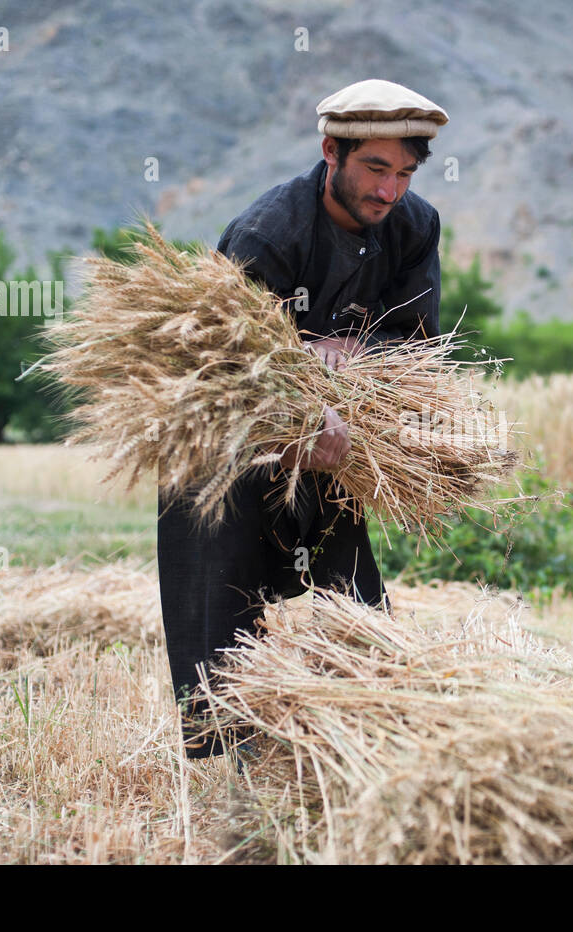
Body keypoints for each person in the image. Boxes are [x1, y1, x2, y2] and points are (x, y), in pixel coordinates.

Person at [157, 79, 449, 760]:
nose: (390, 191)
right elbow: (223, 360)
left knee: (352, 595)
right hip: (226, 439)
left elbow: (416, 344)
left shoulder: (413, 225)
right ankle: (223, 762)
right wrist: (303, 374)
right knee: (219, 602)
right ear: (330, 153)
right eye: (375, 168)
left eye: (404, 173)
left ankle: (368, 729)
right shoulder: (269, 233)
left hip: (336, 442)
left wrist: (352, 358)